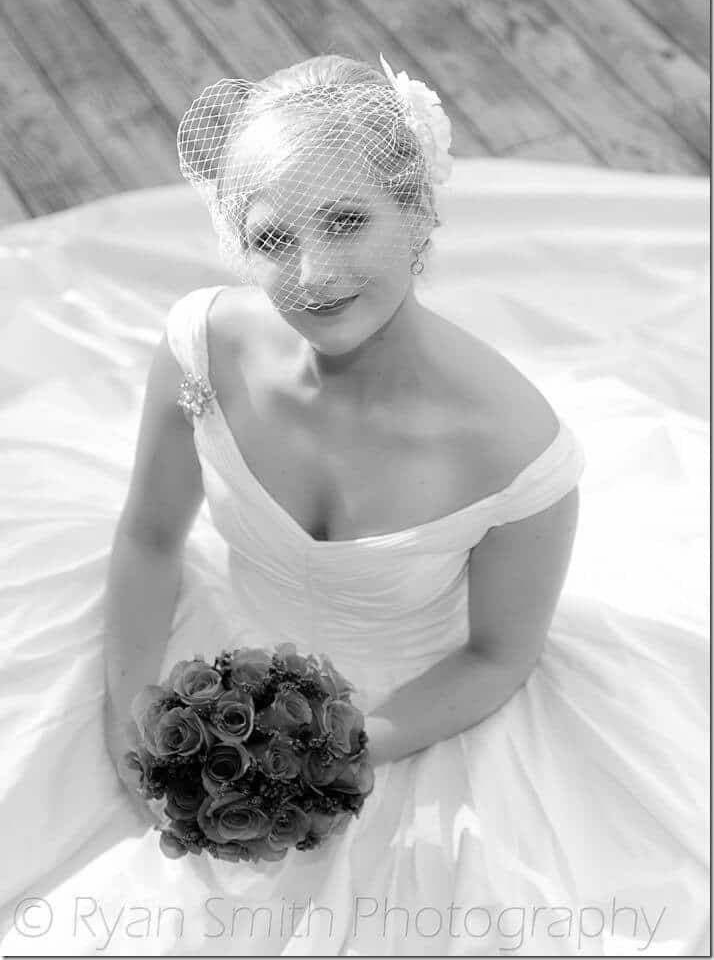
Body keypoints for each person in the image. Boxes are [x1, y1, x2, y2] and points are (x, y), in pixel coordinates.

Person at [0, 53, 707, 956]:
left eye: (344, 222)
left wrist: (326, 766)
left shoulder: (514, 446)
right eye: (270, 239)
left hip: (414, 713)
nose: (309, 274)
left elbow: (498, 655)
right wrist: (132, 708)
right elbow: (147, 534)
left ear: (417, 213)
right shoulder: (203, 350)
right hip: (209, 644)